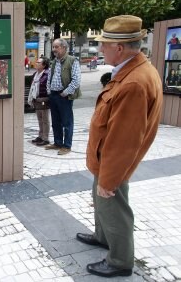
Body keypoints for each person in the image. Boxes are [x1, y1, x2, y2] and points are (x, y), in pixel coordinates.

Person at [76, 15, 163, 278]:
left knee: (115, 208)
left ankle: (120, 260)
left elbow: (124, 140)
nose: (101, 48)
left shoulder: (134, 82)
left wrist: (109, 180)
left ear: (120, 48)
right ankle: (103, 237)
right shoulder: (131, 72)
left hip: (112, 163)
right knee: (102, 205)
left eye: (104, 44)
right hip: (104, 161)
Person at [45, 38, 81, 155]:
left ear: (64, 48)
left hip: (64, 96)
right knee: (55, 121)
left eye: (56, 47)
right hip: (54, 95)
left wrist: (65, 92)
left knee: (67, 122)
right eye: (53, 47)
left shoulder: (72, 61)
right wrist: (49, 91)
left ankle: (67, 146)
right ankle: (58, 143)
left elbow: (76, 80)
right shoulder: (54, 61)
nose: (54, 49)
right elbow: (49, 78)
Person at [28, 57, 51, 146]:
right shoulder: (36, 74)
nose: (36, 63)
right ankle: (41, 136)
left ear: (44, 65)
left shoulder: (47, 74)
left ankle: (45, 138)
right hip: (36, 99)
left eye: (39, 62)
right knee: (40, 119)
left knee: (45, 119)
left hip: (44, 99)